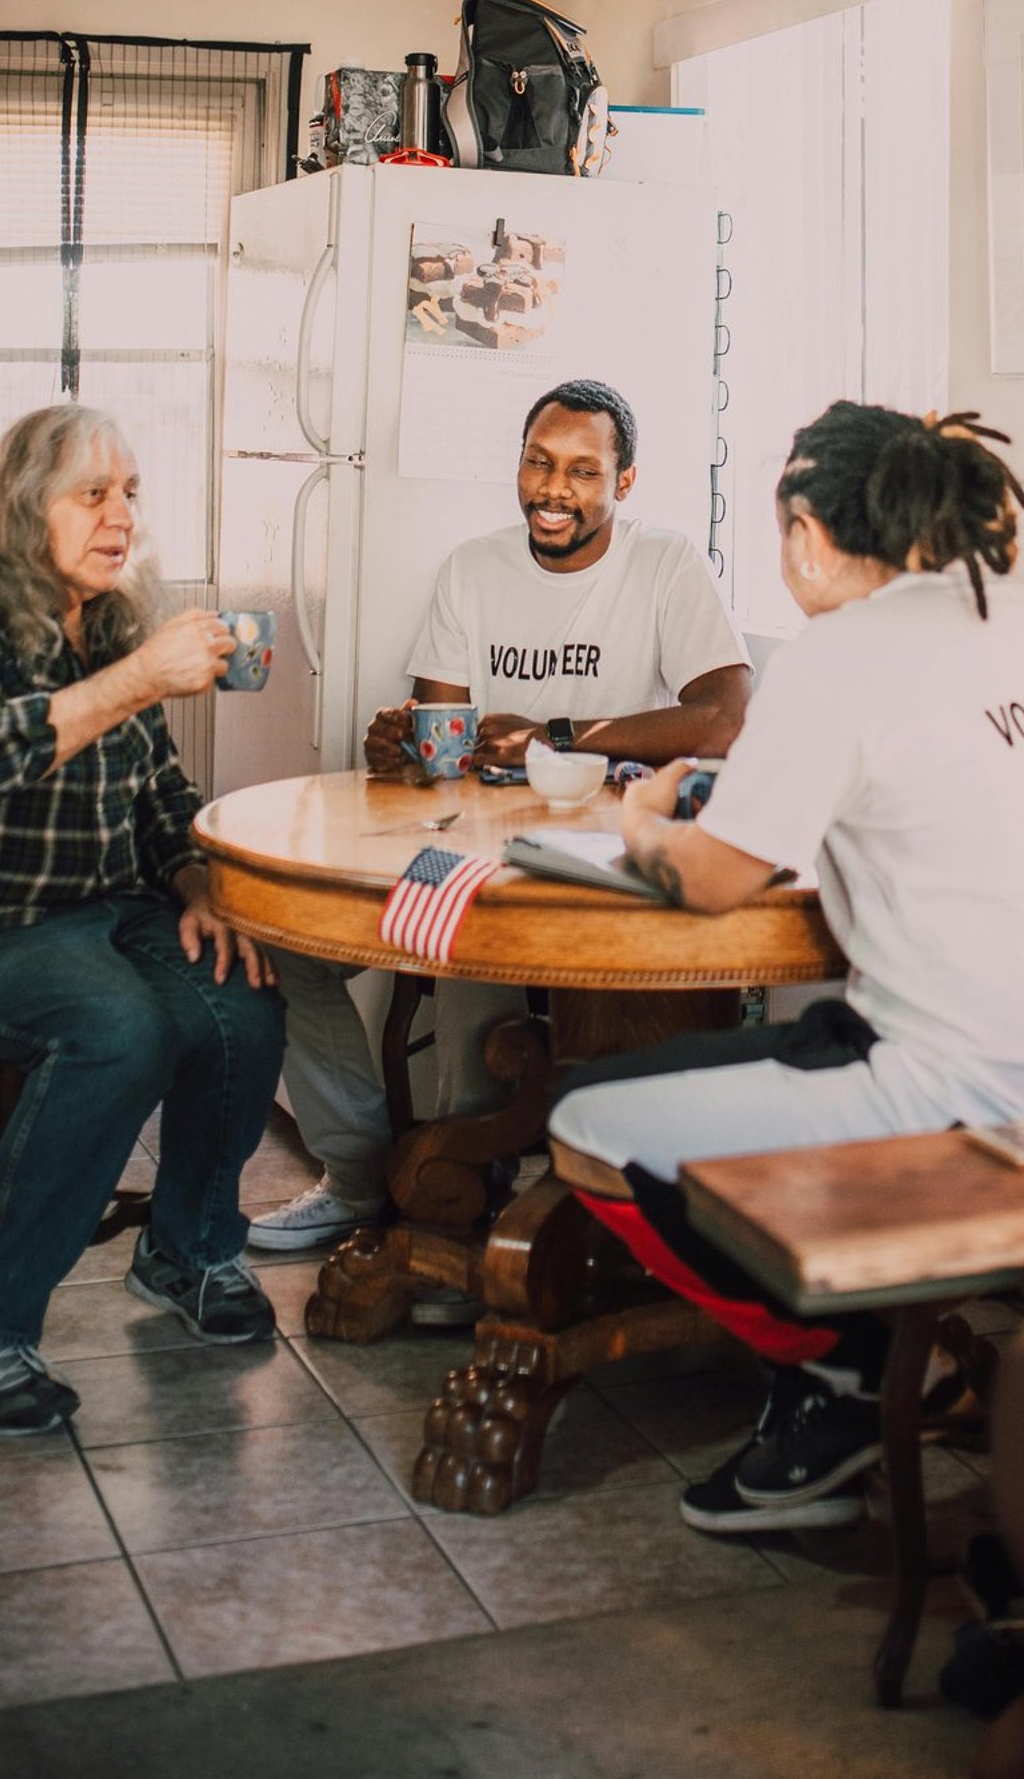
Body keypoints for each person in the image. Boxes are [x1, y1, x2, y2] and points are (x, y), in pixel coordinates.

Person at [548, 399, 1024, 1533]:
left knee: (587, 1125)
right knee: (798, 1041)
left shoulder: (838, 655)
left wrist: (643, 822)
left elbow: (712, 883)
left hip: (988, 1107)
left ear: (804, 533)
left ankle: (842, 1370)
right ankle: (861, 1350)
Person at [251, 378, 752, 1291]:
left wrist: (559, 734)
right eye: (537, 462)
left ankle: (478, 1177)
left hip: (617, 854)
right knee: (298, 945)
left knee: (482, 950)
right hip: (472, 844)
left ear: (623, 484)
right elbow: (444, 741)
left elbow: (724, 717)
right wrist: (399, 743)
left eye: (581, 472)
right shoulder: (473, 569)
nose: (552, 490)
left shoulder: (666, 563)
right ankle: (377, 1176)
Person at [0, 404, 286, 1438]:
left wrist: (191, 879)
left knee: (243, 991)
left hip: (90, 904)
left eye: (131, 492)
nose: (120, 515)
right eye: (93, 493)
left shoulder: (118, 618)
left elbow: (155, 785)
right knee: (120, 1028)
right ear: (23, 506)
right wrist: (134, 681)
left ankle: (189, 1248)